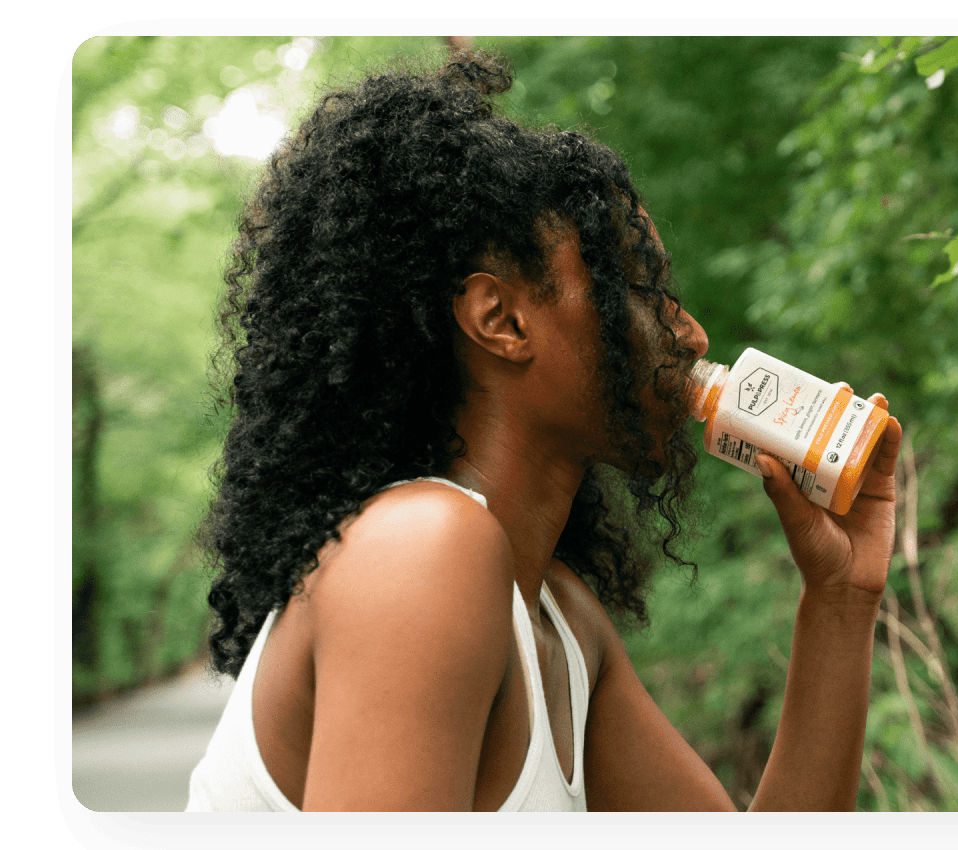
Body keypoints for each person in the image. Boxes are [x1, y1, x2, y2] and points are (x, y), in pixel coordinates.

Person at [186, 50, 902, 812]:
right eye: (643, 286)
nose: (690, 334)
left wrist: (839, 598)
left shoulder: (559, 621)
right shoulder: (417, 551)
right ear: (501, 320)